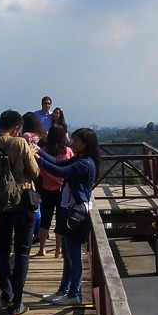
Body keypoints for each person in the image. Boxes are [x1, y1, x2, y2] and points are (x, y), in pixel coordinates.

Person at [0, 109, 40, 315]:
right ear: (16, 128)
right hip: (23, 203)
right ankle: (17, 303)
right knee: (22, 254)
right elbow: (35, 172)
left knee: (2, 251)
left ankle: (7, 294)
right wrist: (31, 155)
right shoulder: (20, 143)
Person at [36, 127, 100, 305]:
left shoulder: (84, 163)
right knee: (68, 255)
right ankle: (64, 290)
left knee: (73, 254)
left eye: (76, 141)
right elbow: (58, 163)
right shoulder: (80, 159)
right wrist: (39, 151)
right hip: (69, 210)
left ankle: (74, 294)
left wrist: (37, 158)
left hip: (77, 212)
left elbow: (60, 172)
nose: (73, 143)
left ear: (85, 144)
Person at [37, 124, 72, 257]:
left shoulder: (44, 151)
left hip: (47, 189)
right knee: (60, 220)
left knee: (45, 219)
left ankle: (42, 249)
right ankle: (59, 250)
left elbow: (40, 170)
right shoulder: (67, 151)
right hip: (63, 190)